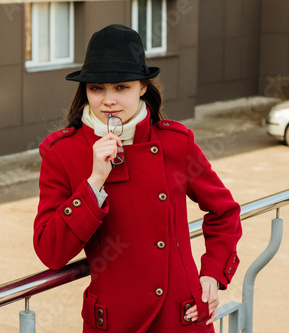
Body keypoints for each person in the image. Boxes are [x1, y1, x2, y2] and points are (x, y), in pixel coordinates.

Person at [33, 24, 242, 333]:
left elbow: (224, 211)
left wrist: (211, 274)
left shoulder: (176, 142)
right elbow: (50, 251)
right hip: (115, 321)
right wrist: (93, 184)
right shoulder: (63, 152)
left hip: (179, 317)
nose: (108, 101)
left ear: (143, 86)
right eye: (96, 88)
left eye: (121, 87)